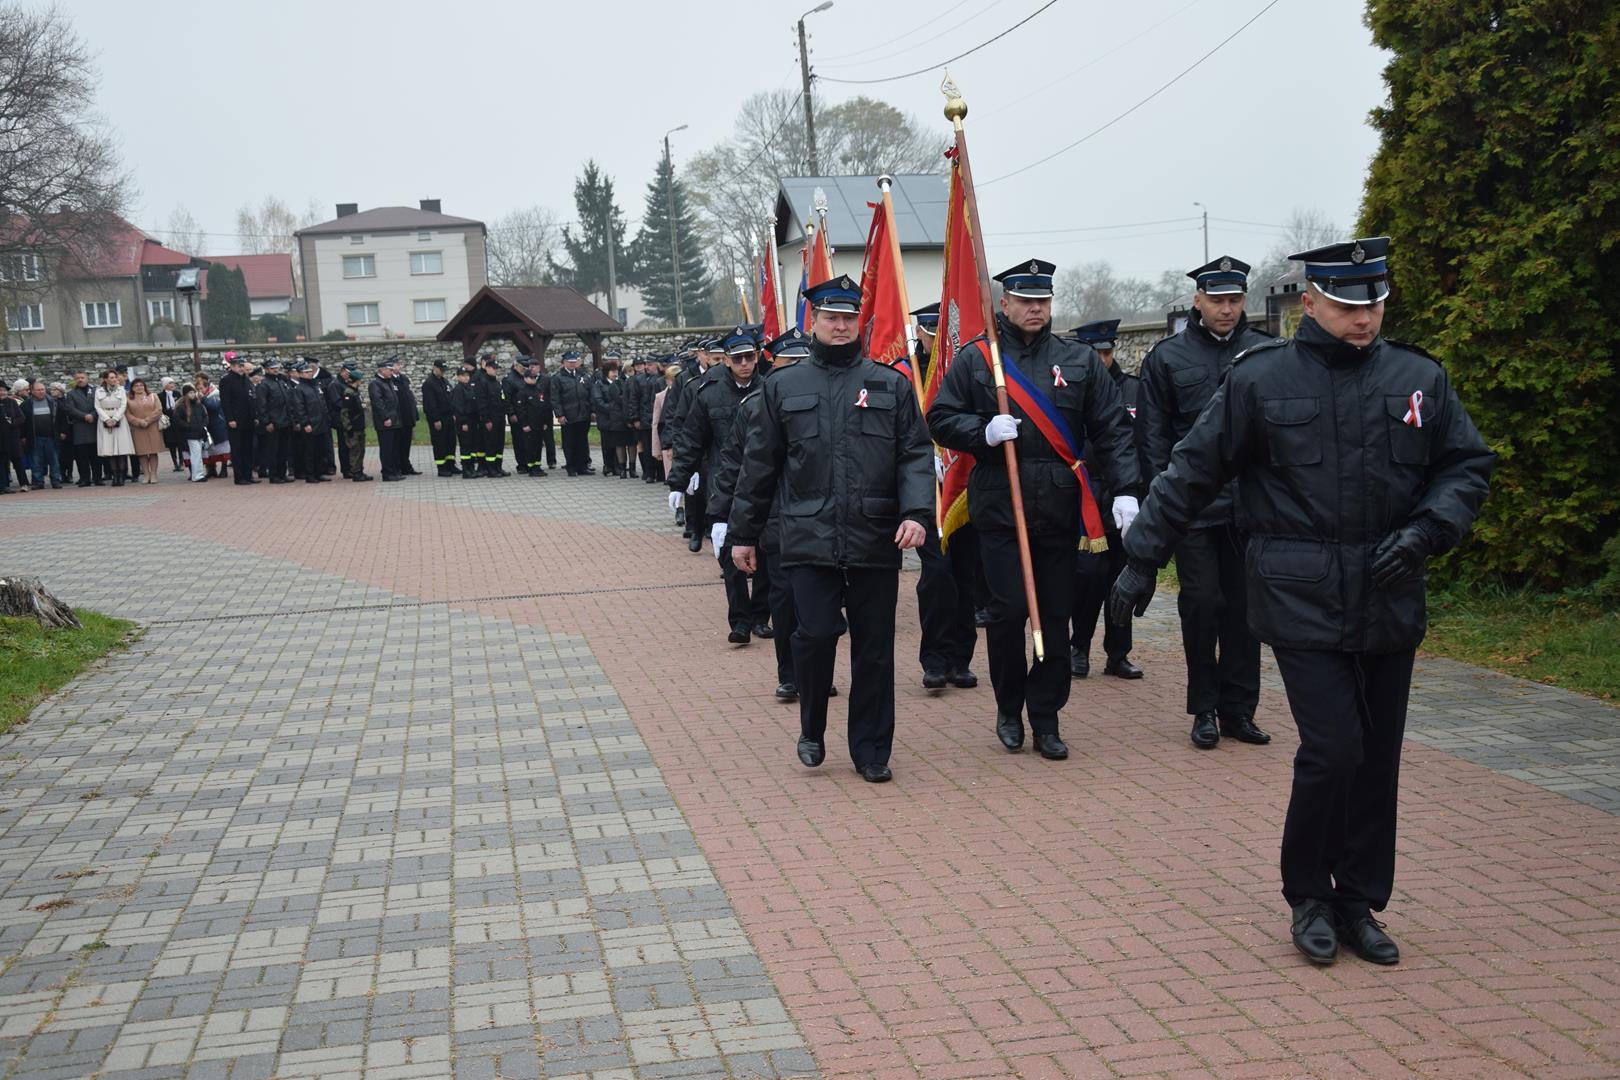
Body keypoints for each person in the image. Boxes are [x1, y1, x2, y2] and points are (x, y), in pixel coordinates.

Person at [1111, 237, 1494, 966]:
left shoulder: (1418, 377)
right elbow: (1194, 468)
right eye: (1350, 305)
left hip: (1389, 590)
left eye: (1374, 303)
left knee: (1376, 755)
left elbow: (1465, 465)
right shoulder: (1262, 379)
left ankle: (1358, 900)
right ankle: (1308, 895)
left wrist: (1427, 531)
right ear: (1309, 302)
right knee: (1334, 746)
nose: (1365, 318)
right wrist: (1140, 559)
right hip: (1299, 591)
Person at [926, 259, 1141, 761]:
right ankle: (1008, 706)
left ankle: (1046, 715)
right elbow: (939, 417)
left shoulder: (1080, 360)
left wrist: (1128, 488)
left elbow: (1112, 427)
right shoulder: (981, 360)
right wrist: (981, 432)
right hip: (1001, 507)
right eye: (1025, 300)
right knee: (1007, 614)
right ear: (1004, 303)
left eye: (1042, 300)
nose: (1035, 309)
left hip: (1060, 510)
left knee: (1054, 616)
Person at [729, 276, 934, 783]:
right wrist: (743, 534)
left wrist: (916, 514)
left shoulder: (890, 384)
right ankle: (812, 727)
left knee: (874, 648)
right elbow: (759, 467)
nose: (840, 326)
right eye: (830, 318)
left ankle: (870, 750)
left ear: (858, 321)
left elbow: (914, 454)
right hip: (807, 538)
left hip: (875, 535)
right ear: (813, 321)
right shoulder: (782, 387)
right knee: (815, 635)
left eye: (848, 318)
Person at [1136, 256, 1275, 749]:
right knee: (1201, 605)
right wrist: (1160, 509)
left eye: (1235, 300)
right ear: (1197, 300)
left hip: (1252, 509)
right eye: (1217, 300)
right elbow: (1152, 441)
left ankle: (1240, 709)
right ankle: (1204, 709)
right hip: (1194, 508)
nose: (1226, 309)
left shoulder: (1267, 353)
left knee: (1246, 610)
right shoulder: (1167, 358)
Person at [711, 328, 812, 698]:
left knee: (822, 609)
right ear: (774, 365)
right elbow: (735, 467)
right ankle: (790, 673)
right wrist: (724, 520)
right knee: (784, 601)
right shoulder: (754, 405)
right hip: (776, 517)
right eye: (789, 365)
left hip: (823, 520)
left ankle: (818, 673)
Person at [672, 327, 771, 642]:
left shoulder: (770, 390)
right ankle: (740, 621)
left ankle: (760, 616)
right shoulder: (709, 392)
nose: (745, 363)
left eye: (750, 357)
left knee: (766, 553)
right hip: (724, 484)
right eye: (738, 358)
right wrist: (678, 480)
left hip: (764, 484)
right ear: (726, 361)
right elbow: (691, 439)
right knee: (730, 556)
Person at [906, 303, 981, 692]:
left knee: (965, 576)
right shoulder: (907, 373)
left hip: (965, 485)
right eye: (930, 332)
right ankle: (934, 658)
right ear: (920, 333)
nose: (936, 341)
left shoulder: (966, 369)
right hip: (927, 491)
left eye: (942, 333)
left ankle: (960, 659)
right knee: (937, 576)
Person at [1066, 319, 1145, 681]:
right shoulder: (1069, 389)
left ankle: (1118, 653)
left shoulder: (1134, 390)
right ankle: (1078, 647)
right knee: (1087, 578)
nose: (1101, 360)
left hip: (1124, 494)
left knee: (1121, 577)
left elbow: (1142, 442)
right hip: (1085, 495)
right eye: (1094, 353)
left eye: (1107, 352)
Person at [551, 350, 594, 476]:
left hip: (583, 413)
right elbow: (555, 398)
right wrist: (560, 415)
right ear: (564, 363)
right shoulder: (558, 378)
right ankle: (571, 466)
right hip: (568, 415)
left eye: (574, 362)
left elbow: (589, 393)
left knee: (582, 442)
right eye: (570, 362)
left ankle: (583, 466)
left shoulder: (583, 375)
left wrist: (592, 410)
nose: (573, 364)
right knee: (569, 442)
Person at [219, 354, 258, 485]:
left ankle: (248, 475)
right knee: (238, 449)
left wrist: (255, 416)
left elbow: (251, 398)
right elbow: (226, 402)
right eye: (239, 366)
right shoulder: (226, 380)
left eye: (242, 366)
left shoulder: (245, 380)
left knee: (248, 448)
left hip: (248, 419)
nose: (241, 368)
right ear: (232, 366)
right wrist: (230, 419)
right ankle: (239, 476)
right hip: (235, 420)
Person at [255, 357, 294, 483]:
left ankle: (282, 473)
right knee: (273, 451)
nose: (276, 370)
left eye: (277, 368)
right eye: (272, 368)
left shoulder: (281, 382)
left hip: (285, 421)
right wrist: (267, 422)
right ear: (266, 369)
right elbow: (261, 406)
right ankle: (274, 475)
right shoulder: (264, 385)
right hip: (273, 423)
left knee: (284, 450)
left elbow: (288, 401)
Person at [292, 361, 331, 484]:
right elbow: (299, 407)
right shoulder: (299, 389)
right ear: (300, 374)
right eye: (306, 372)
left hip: (321, 422)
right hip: (310, 423)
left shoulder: (315, 386)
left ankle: (319, 472)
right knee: (310, 451)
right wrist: (305, 423)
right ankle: (310, 474)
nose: (309, 374)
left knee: (320, 450)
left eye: (310, 371)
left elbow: (323, 403)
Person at [592, 356, 631, 478]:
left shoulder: (620, 383)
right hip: (606, 418)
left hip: (618, 418)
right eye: (612, 371)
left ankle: (618, 466)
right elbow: (598, 401)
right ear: (606, 373)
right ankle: (608, 465)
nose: (615, 373)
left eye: (616, 371)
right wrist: (611, 409)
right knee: (607, 444)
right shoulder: (599, 384)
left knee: (618, 442)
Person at [94, 369, 134, 487]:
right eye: (111, 377)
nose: (114, 380)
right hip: (105, 418)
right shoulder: (99, 391)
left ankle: (121, 476)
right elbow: (97, 406)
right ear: (105, 379)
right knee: (110, 449)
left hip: (119, 418)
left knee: (120, 449)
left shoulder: (121, 390)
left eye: (115, 377)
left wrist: (115, 418)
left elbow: (123, 405)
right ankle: (114, 476)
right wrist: (106, 419)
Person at [21, 380, 63, 490]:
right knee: (36, 461)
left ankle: (55, 480)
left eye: (43, 389)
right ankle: (38, 482)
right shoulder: (26, 405)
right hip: (35, 437)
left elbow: (60, 418)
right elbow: (23, 422)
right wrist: (23, 436)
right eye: (38, 390)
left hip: (51, 437)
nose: (41, 392)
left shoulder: (53, 402)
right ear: (32, 391)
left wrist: (62, 432)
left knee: (54, 460)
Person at [63, 372, 103, 486]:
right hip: (80, 428)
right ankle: (85, 478)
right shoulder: (71, 394)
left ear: (87, 378)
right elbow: (70, 409)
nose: (80, 380)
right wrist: (84, 416)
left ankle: (98, 478)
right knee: (82, 456)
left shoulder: (95, 391)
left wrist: (93, 415)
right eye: (77, 378)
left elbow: (100, 406)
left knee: (96, 456)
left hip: (94, 426)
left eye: (82, 377)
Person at [368, 358, 404, 482]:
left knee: (394, 448)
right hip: (385, 422)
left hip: (395, 420)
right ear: (382, 370)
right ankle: (387, 473)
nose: (391, 372)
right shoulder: (375, 384)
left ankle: (394, 470)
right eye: (389, 370)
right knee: (387, 448)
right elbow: (378, 403)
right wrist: (385, 417)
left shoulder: (388, 382)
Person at [420, 358, 458, 477]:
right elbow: (430, 404)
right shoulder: (429, 384)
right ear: (434, 368)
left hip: (449, 417)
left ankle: (451, 465)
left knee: (450, 442)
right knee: (440, 443)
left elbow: (450, 398)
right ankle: (442, 467)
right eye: (441, 370)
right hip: (438, 419)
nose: (442, 372)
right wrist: (435, 419)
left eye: (444, 370)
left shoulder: (444, 381)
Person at [335, 363, 373, 482]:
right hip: (353, 428)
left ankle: (360, 471)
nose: (362, 381)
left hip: (359, 426)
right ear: (357, 380)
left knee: (361, 450)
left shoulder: (355, 392)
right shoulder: (348, 393)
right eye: (361, 379)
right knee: (355, 450)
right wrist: (349, 428)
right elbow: (345, 413)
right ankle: (356, 472)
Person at [474, 354, 509, 478]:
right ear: (487, 368)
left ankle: (498, 467)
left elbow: (502, 399)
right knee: (490, 444)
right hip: (490, 419)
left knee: (499, 444)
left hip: (499, 418)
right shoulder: (482, 383)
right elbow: (482, 403)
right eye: (493, 368)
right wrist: (487, 420)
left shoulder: (497, 383)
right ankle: (490, 469)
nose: (495, 371)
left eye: (496, 369)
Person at [510, 365, 548, 478]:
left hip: (539, 424)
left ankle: (537, 466)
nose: (533, 379)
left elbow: (544, 407)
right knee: (530, 447)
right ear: (525, 378)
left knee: (538, 446)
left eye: (535, 377)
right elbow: (520, 411)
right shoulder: (522, 392)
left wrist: (545, 422)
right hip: (529, 425)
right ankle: (531, 467)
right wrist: (524, 424)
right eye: (531, 378)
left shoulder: (539, 390)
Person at [125, 377, 165, 484]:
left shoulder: (153, 396)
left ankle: (154, 474)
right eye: (136, 386)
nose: (139, 387)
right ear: (132, 388)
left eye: (141, 385)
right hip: (137, 429)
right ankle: (146, 474)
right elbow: (127, 414)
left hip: (152, 427)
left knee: (152, 451)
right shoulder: (128, 399)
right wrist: (138, 422)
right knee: (142, 453)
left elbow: (158, 410)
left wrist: (147, 420)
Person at [173, 383, 210, 481]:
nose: (193, 394)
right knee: (196, 454)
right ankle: (198, 475)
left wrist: (203, 424)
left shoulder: (198, 405)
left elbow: (205, 416)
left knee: (198, 454)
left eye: (194, 392)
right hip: (190, 434)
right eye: (190, 392)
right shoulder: (181, 406)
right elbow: (177, 420)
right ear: (185, 394)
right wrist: (189, 427)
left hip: (199, 432)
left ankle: (197, 474)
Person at [197, 372, 230, 478]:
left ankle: (224, 469)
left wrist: (203, 399)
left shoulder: (215, 393)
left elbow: (214, 407)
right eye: (198, 388)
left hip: (218, 424)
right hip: (206, 425)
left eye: (201, 388)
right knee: (209, 449)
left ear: (206, 386)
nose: (199, 391)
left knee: (222, 448)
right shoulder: (198, 396)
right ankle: (211, 469)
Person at [450, 364, 481, 479]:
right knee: (466, 446)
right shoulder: (458, 389)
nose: (466, 378)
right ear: (458, 377)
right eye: (463, 376)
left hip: (472, 420)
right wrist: (463, 422)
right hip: (464, 422)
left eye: (467, 375)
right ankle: (466, 470)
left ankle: (472, 468)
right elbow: (458, 408)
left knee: (473, 446)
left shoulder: (469, 387)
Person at [651, 362, 679, 486]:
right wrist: (656, 448)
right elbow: (656, 423)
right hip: (667, 441)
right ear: (667, 380)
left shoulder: (686, 393)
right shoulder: (660, 397)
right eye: (672, 380)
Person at [391, 361, 421, 475]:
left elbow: (410, 397)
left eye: (399, 364)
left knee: (406, 444)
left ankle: (406, 465)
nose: (399, 366)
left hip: (408, 417)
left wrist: (414, 414)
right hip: (398, 418)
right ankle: (398, 466)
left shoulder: (404, 379)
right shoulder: (390, 381)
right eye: (396, 364)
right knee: (398, 444)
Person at [0, 381, 27, 494]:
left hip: (13, 437)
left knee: (18, 460)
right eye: (0, 390)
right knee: (2, 463)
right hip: (1, 439)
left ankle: (24, 483)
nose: (2, 392)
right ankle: (3, 485)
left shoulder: (12, 402)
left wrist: (12, 422)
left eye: (4, 390)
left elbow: (21, 417)